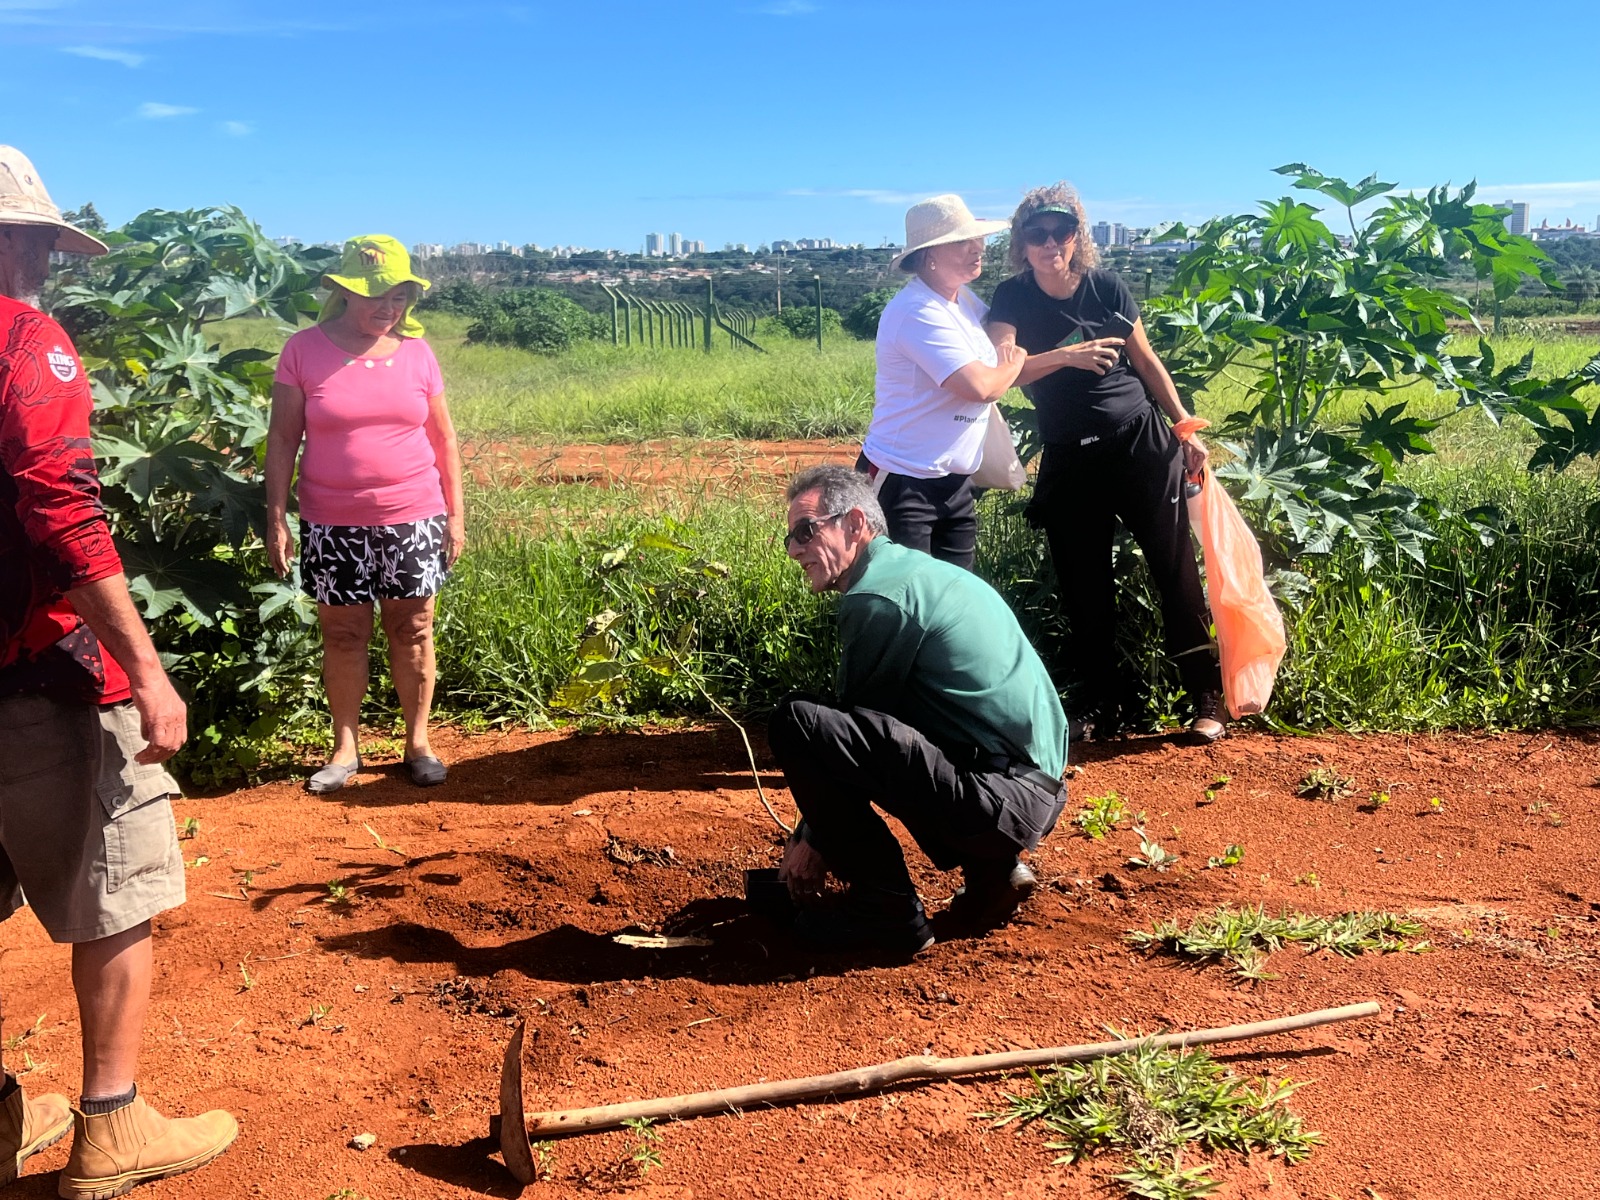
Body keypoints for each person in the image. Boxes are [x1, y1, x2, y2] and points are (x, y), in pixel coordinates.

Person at [0, 144, 236, 1196]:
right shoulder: (27, 340)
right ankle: (111, 1125)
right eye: (41, 242)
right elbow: (61, 510)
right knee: (116, 882)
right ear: (27, 243)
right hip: (33, 665)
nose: (50, 261)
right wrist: (146, 669)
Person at [769, 465, 1068, 955]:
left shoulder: (879, 598)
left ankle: (886, 913)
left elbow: (842, 746)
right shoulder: (920, 573)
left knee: (798, 722)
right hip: (1034, 791)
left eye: (807, 530)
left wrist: (813, 839)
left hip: (1000, 799)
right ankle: (993, 876)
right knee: (904, 721)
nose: (796, 548)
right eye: (790, 538)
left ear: (854, 524)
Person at [986, 183, 1225, 742]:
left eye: (1061, 231)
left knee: (1176, 572)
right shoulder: (1011, 299)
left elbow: (1146, 361)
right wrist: (1066, 356)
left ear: (1077, 237)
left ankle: (1206, 697)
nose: (1050, 243)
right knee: (1083, 585)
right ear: (1021, 243)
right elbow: (1002, 371)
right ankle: (1105, 705)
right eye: (1037, 233)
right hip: (1070, 456)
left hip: (1139, 445)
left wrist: (1185, 424)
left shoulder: (1106, 287)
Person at [266, 235, 465, 792]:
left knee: (414, 627)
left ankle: (418, 742)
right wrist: (277, 517)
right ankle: (345, 748)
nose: (389, 307)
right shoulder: (303, 350)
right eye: (378, 295)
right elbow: (282, 440)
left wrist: (456, 515)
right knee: (345, 634)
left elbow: (444, 439)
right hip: (332, 522)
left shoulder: (419, 354)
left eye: (400, 296)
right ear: (344, 291)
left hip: (413, 514)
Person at [862, 195, 1027, 569]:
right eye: (963, 241)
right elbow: (982, 387)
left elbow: (1001, 362)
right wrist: (1015, 360)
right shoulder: (916, 311)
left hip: (954, 482)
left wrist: (1068, 357)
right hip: (903, 479)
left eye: (978, 239)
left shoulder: (962, 301)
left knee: (954, 594)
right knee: (905, 597)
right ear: (928, 256)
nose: (978, 248)